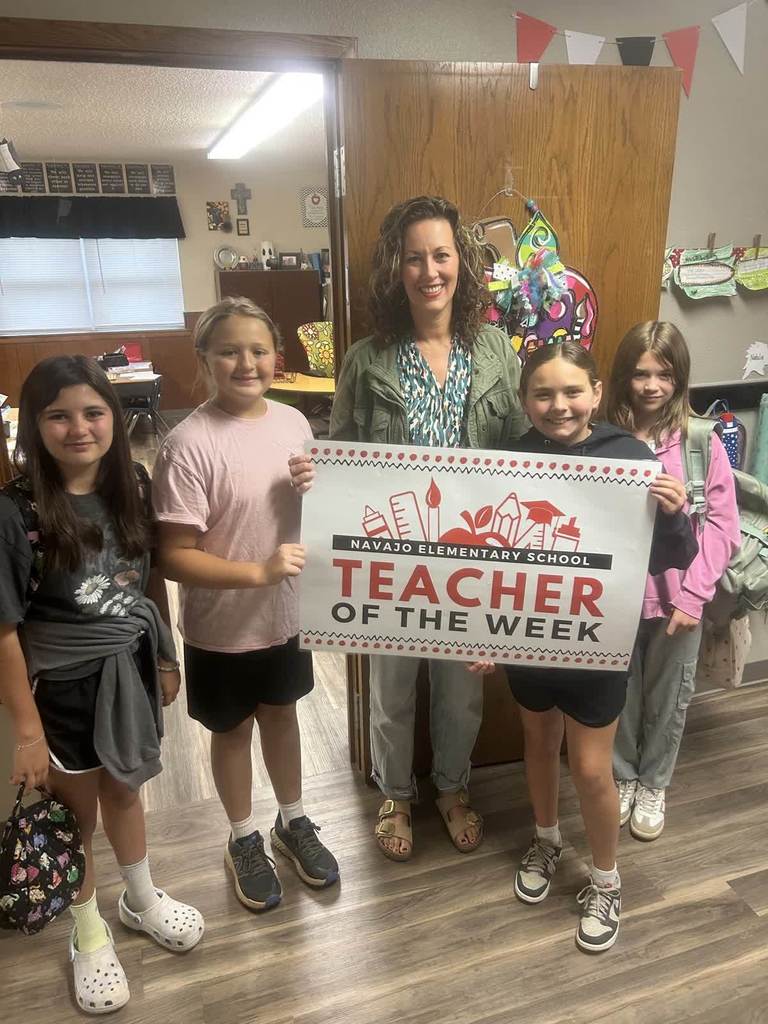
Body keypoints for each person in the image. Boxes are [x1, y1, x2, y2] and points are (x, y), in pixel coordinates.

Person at [291, 195, 527, 861]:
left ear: (463, 264)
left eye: (442, 255)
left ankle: (452, 788)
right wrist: (319, 479)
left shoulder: (495, 352)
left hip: (473, 555)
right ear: (397, 268)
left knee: (461, 690)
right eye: (416, 257)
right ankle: (396, 791)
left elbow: (519, 455)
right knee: (392, 686)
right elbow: (342, 460)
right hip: (391, 556)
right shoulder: (367, 359)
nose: (430, 270)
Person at [0, 355, 203, 1016]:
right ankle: (87, 932)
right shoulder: (16, 511)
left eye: (92, 412)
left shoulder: (134, 485)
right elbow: (4, 629)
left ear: (114, 418)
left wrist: (167, 658)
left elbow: (150, 578)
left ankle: (139, 897)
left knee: (126, 786)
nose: (78, 428)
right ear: (35, 425)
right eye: (58, 415)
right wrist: (28, 732)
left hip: (131, 665)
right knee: (75, 812)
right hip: (61, 685)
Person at [484, 340, 697, 953]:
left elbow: (670, 557)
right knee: (537, 742)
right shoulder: (511, 459)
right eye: (542, 393)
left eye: (572, 391)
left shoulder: (629, 456)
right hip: (529, 639)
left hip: (597, 641)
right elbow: (492, 559)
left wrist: (676, 515)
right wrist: (480, 632)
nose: (559, 405)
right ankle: (547, 839)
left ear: (598, 393)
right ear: (524, 400)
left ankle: (606, 879)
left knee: (591, 767)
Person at [152, 297, 339, 917]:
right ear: (203, 360)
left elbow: (316, 516)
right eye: (228, 350)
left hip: (286, 617)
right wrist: (256, 572)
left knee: (281, 716)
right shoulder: (187, 444)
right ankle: (242, 836)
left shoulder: (293, 423)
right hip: (220, 630)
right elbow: (174, 556)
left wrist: (324, 490)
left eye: (258, 350)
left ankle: (293, 820)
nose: (245, 362)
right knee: (231, 732)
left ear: (276, 357)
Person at [606, 321, 740, 840]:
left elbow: (723, 528)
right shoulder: (604, 437)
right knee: (619, 693)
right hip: (616, 600)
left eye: (664, 374)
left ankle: (654, 781)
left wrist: (694, 595)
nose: (651, 386)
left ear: (679, 377)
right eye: (640, 374)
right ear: (624, 377)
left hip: (677, 602)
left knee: (670, 697)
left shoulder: (699, 442)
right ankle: (621, 776)